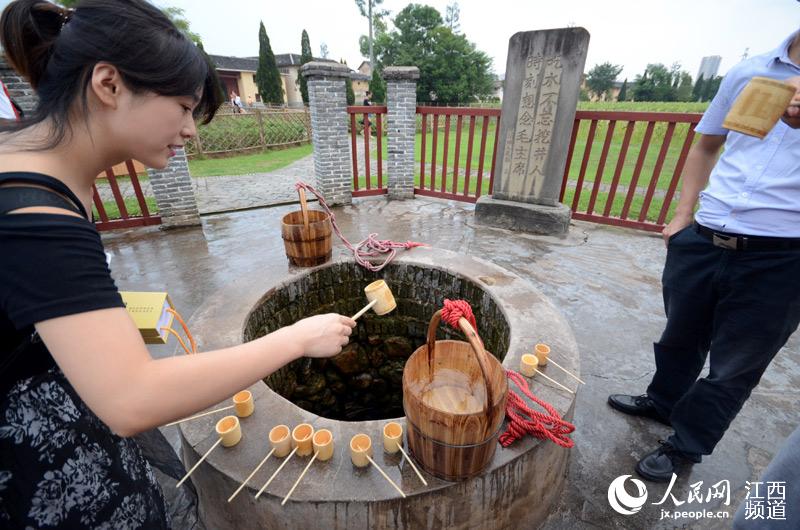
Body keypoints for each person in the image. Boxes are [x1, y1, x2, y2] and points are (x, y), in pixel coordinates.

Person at [0, 1, 356, 527]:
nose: (191, 129)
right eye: (184, 107)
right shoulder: (36, 215)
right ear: (109, 84)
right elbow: (131, 400)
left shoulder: (25, 163)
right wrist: (297, 339)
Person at [608, 30, 800, 483]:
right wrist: (681, 218)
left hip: (783, 255)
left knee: (733, 367)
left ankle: (687, 444)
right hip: (705, 237)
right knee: (679, 335)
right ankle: (664, 401)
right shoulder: (750, 71)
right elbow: (706, 143)